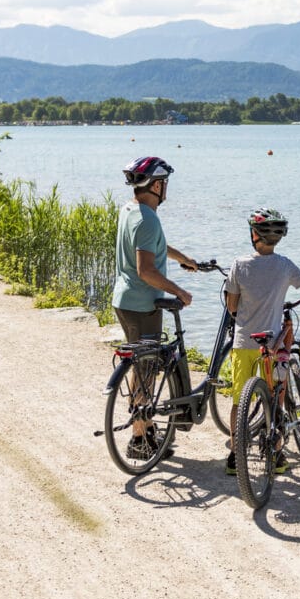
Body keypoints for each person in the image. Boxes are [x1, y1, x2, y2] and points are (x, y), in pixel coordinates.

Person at [222, 208, 300, 475]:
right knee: (276, 398)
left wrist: (240, 311)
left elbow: (232, 305)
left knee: (239, 400)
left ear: (253, 235)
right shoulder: (284, 265)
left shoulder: (239, 264)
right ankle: (276, 455)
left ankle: (235, 455)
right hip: (273, 345)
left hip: (245, 341)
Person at [111, 155, 201, 461]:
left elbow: (153, 244)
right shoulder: (148, 219)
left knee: (142, 365)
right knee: (146, 370)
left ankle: (145, 428)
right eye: (166, 184)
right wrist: (179, 291)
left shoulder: (130, 209)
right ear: (157, 185)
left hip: (124, 300)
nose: (167, 190)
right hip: (143, 304)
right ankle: (139, 438)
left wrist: (181, 258)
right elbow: (146, 269)